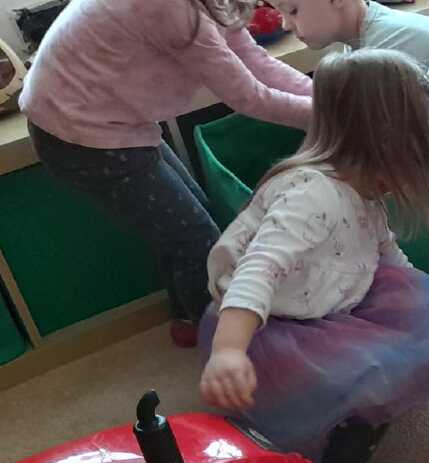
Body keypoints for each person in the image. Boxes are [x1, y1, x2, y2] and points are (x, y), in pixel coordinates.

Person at [199, 49, 429, 463]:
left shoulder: (361, 188)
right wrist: (229, 351)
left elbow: (387, 255)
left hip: (331, 297)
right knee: (352, 396)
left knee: (426, 313)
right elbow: (258, 270)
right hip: (271, 326)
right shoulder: (311, 198)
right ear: (381, 142)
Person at [21, 0, 313, 348]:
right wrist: (332, 116)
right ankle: (227, 353)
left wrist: (326, 99)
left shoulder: (203, 6)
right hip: (77, 131)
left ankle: (187, 322)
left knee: (183, 226)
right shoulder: (172, 9)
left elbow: (256, 62)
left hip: (100, 115)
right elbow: (251, 97)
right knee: (197, 240)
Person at [274, 0, 429, 270]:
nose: (285, 25)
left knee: (426, 154)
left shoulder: (386, 44)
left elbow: (410, 124)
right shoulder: (362, 38)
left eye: (293, 10)